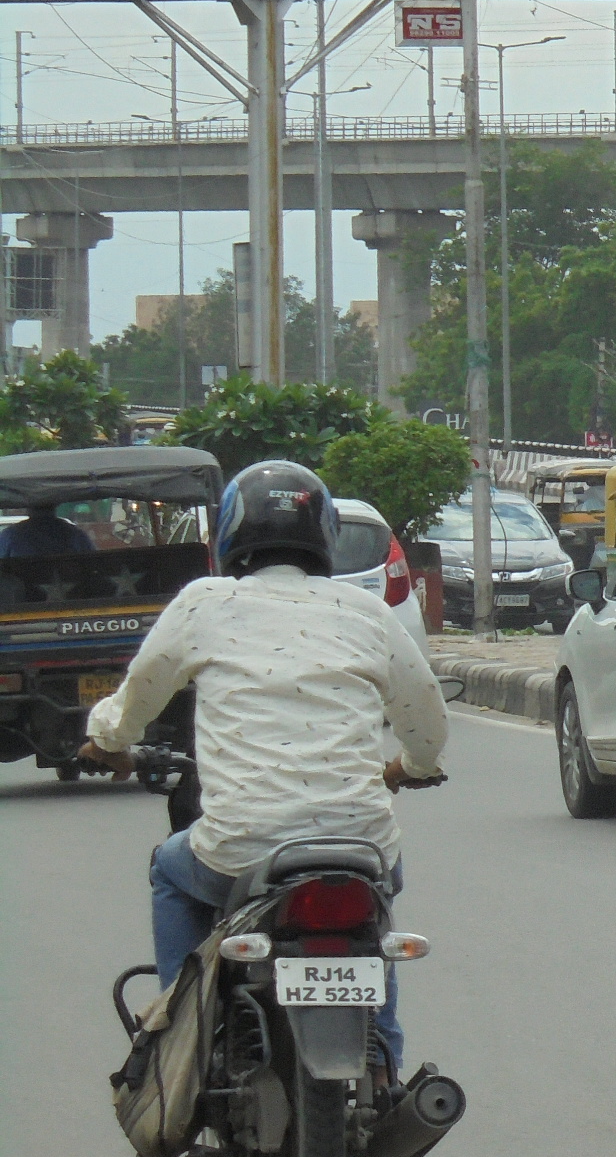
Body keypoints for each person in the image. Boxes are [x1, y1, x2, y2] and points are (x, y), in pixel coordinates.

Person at [80, 461, 448, 1080]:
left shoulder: (205, 603)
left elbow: (138, 697)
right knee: (374, 906)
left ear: (230, 533)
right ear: (323, 533)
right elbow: (427, 722)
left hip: (239, 849)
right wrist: (413, 766)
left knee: (170, 868)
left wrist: (107, 743)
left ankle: (180, 1040)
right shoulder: (366, 612)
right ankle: (384, 1067)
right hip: (359, 844)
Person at [0, 501, 95, 559]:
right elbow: (93, 563)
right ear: (55, 505)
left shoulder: (10, 535)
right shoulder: (76, 535)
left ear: (27, 506)